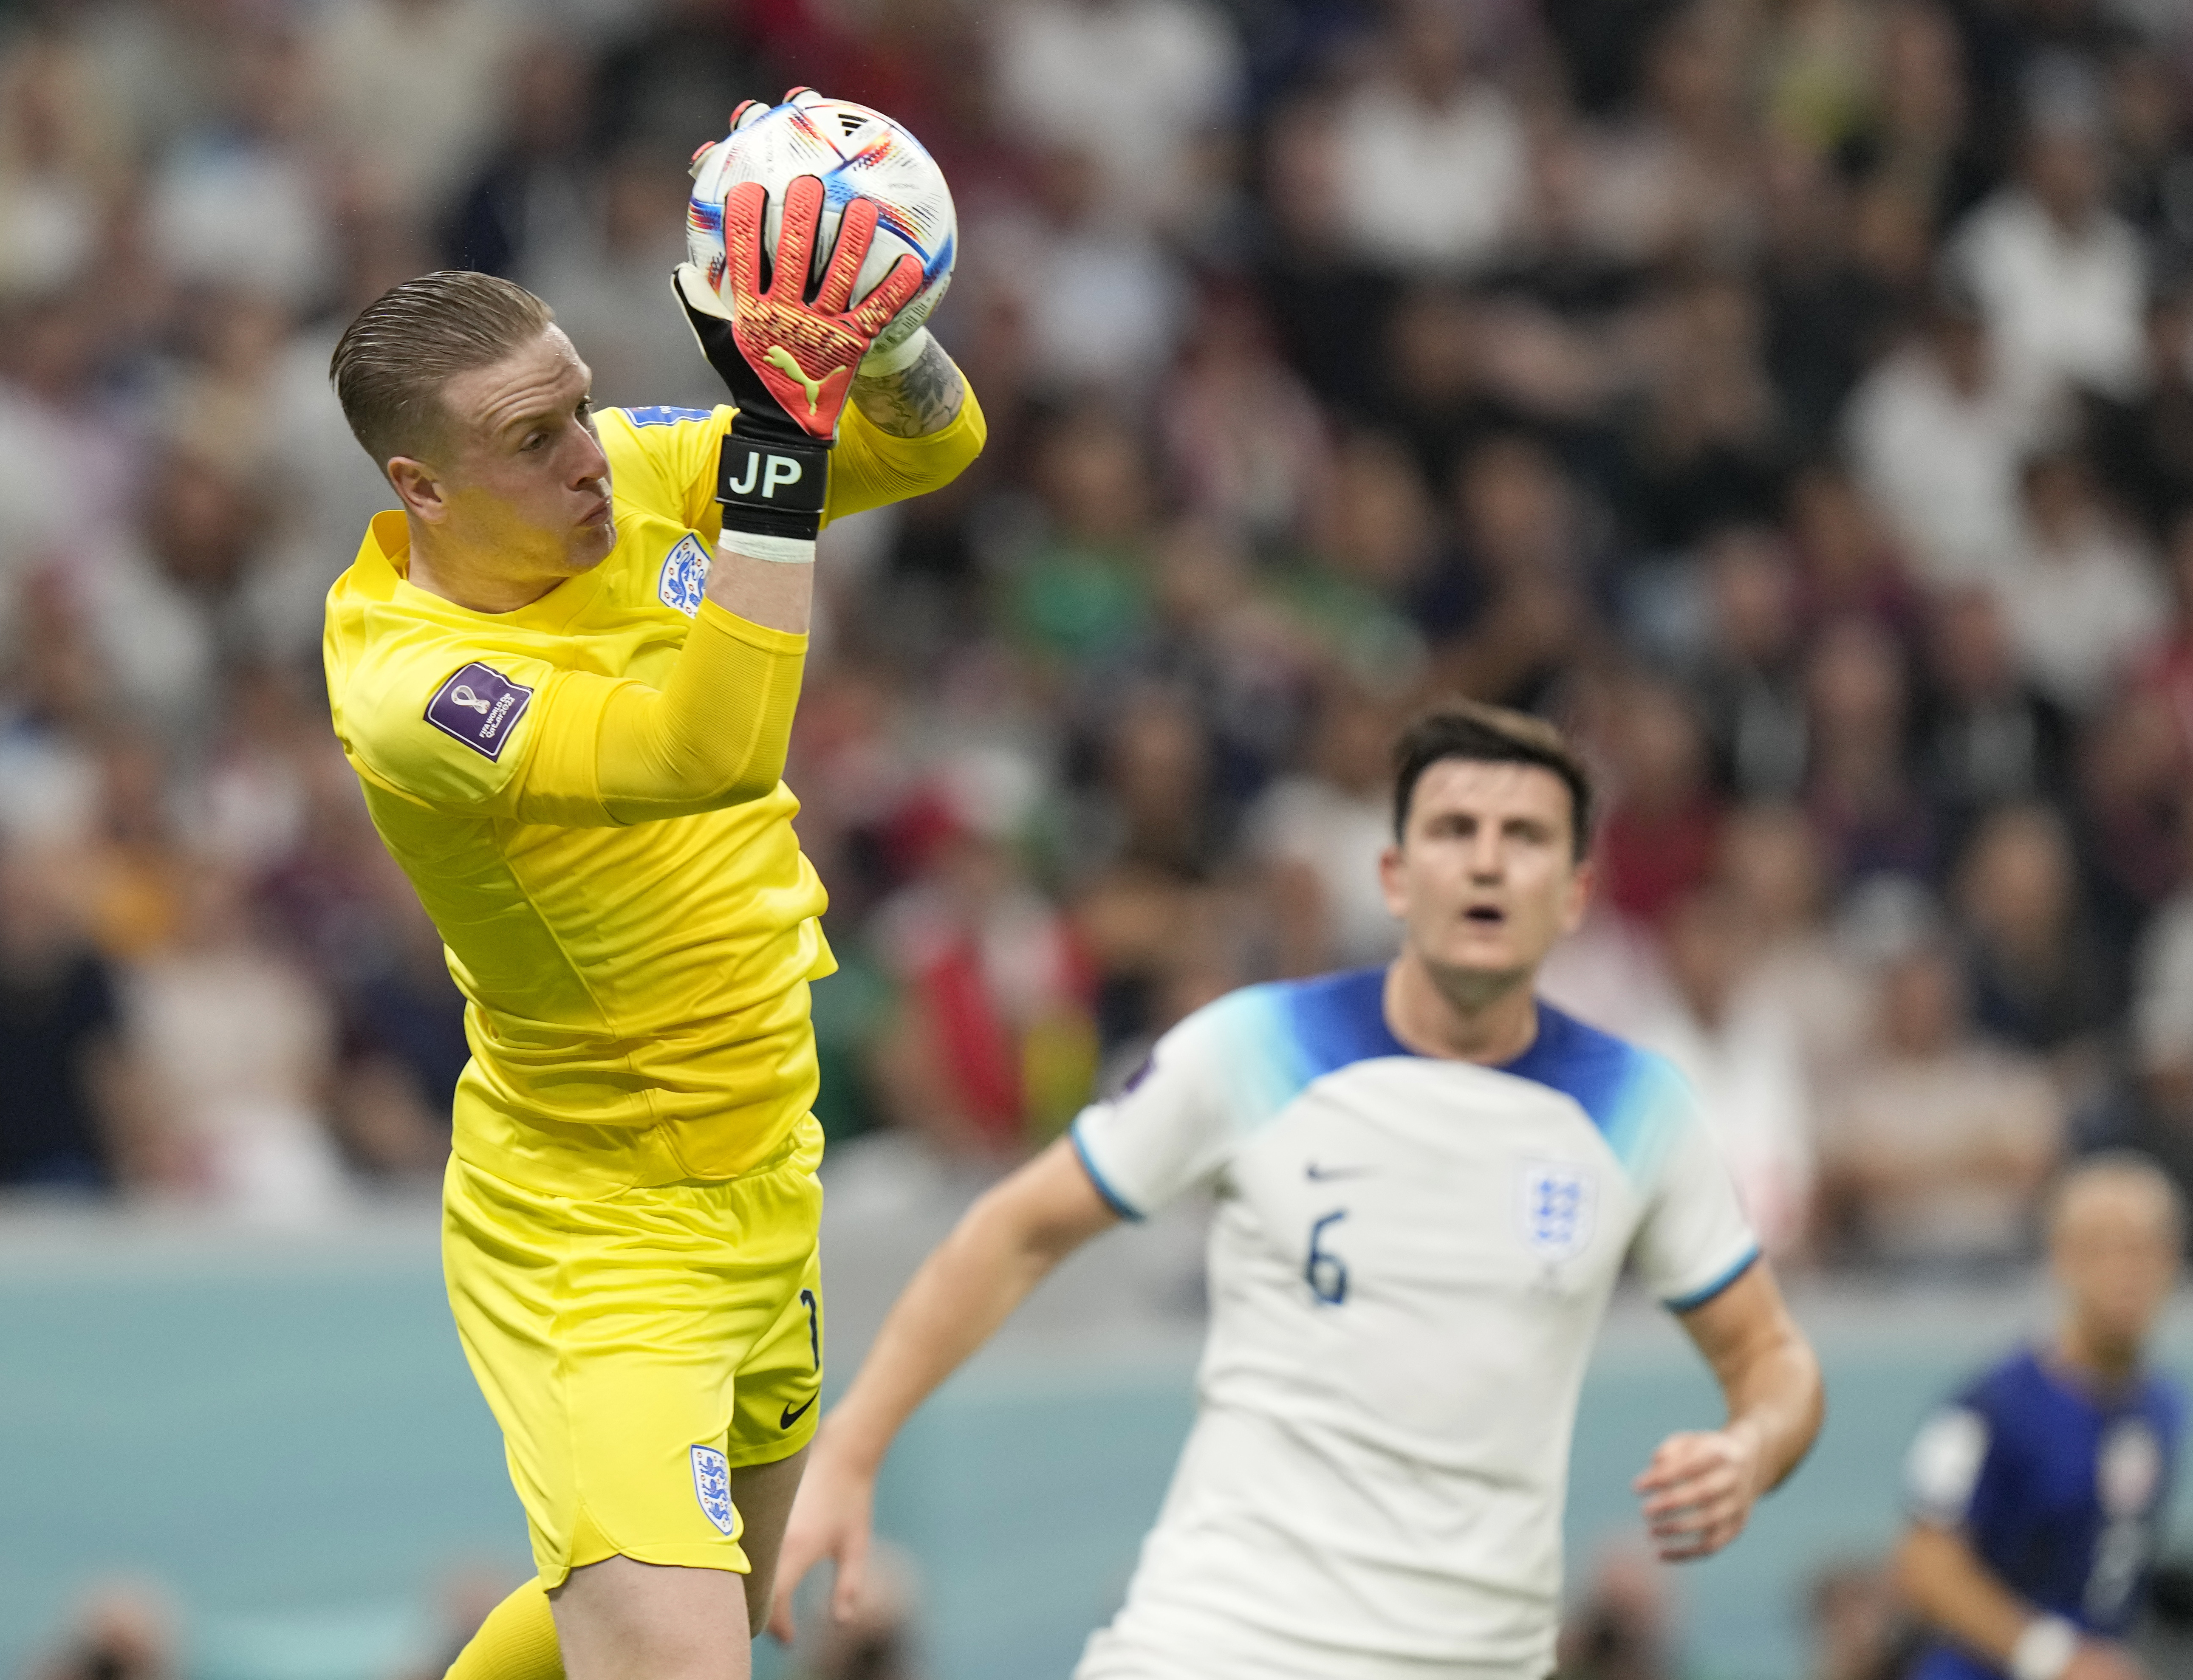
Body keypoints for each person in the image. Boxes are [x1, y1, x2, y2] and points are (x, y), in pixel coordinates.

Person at [319, 90, 983, 1680]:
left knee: (691, 1616)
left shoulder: (618, 474)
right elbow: (711, 749)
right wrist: (777, 440)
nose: (585, 458)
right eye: (528, 439)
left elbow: (933, 439)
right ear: (422, 484)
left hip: (764, 1161)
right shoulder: (417, 688)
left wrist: (863, 343)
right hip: (595, 1228)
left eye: (580, 406)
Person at [773, 701, 1826, 1679]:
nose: (1487, 864)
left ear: (1577, 893)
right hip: (1216, 1639)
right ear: (1394, 877)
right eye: (1454, 831)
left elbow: (1770, 1361)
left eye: (1526, 838)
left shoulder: (1639, 1109)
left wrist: (1751, 1448)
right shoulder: (1253, 1047)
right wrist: (850, 1450)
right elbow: (1016, 1231)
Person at [1894, 1155, 2185, 1680]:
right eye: (2101, 1249)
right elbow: (1925, 1564)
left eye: (2142, 1248)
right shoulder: (1991, 1407)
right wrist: (2053, 1657)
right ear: (2061, 1260)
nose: (2125, 1271)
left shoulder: (2160, 1409)